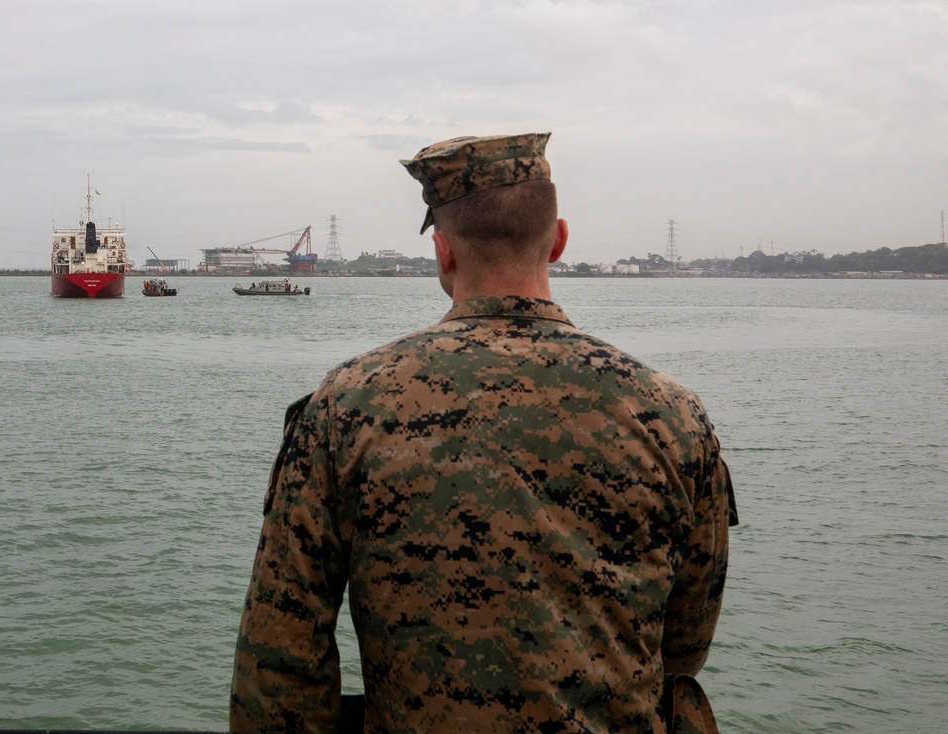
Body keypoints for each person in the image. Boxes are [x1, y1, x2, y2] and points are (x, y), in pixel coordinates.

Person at [230, 132, 738, 733]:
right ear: (558, 241)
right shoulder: (672, 415)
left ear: (442, 252)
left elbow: (282, 657)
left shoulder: (345, 405)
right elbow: (684, 643)